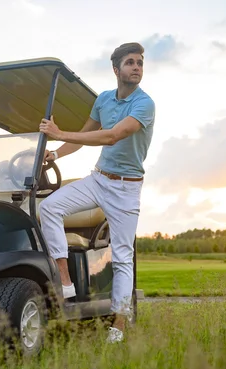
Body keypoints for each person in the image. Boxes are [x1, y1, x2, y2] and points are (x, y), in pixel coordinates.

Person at [38, 42, 155, 343]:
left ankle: (118, 325)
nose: (137, 67)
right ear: (116, 69)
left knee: (122, 258)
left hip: (127, 189)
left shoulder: (145, 104)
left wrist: (60, 132)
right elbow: (82, 138)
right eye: (130, 62)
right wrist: (56, 153)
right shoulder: (104, 100)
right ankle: (65, 281)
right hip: (99, 179)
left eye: (140, 62)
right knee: (49, 208)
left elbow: (113, 136)